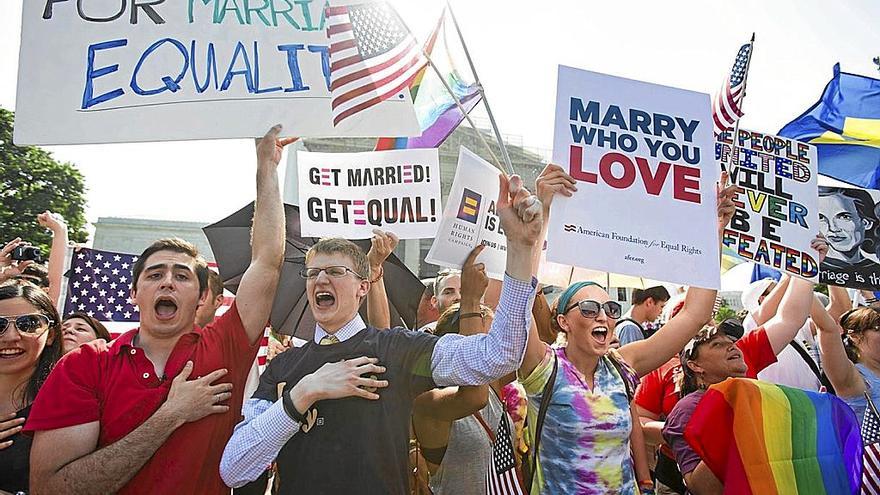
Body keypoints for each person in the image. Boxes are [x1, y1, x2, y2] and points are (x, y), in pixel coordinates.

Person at [220, 173, 544, 494]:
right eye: (313, 273)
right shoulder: (283, 369)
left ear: (363, 287)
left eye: (335, 272)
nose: (321, 281)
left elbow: (498, 355)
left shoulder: (398, 350)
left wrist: (520, 249)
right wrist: (305, 392)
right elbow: (234, 469)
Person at [24, 125, 293, 495]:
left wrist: (266, 167)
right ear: (134, 293)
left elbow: (267, 261)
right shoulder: (84, 365)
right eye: (155, 274)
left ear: (202, 298)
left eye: (182, 276)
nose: (167, 281)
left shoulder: (225, 345)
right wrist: (171, 414)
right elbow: (52, 488)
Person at [514, 164, 735, 495]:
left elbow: (695, 314)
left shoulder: (621, 365)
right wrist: (543, 211)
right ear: (564, 322)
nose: (603, 317)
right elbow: (520, 298)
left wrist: (713, 229)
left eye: (611, 310)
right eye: (589, 309)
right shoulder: (544, 368)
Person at [661, 240, 826, 494]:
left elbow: (790, 318)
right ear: (694, 365)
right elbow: (704, 488)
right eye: (715, 343)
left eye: (729, 340)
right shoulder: (687, 408)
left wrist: (808, 267)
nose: (730, 345)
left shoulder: (745, 352)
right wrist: (734, 420)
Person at [0, 283, 63, 494]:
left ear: (51, 334)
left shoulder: (67, 406)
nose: (10, 336)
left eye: (28, 324)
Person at [818, 186, 880, 273]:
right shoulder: (814, 266)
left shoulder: (875, 270)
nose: (832, 229)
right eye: (821, 217)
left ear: (866, 223)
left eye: (844, 217)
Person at [418, 269, 461, 333]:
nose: (458, 297)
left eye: (464, 292)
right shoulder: (426, 334)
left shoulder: (480, 333)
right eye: (448, 292)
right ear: (434, 301)